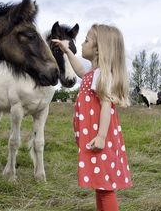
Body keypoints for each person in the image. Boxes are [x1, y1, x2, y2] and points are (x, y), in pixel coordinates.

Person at [52, 24, 132, 211]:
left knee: (105, 187)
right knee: (100, 185)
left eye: (86, 40)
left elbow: (106, 105)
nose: (82, 43)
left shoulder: (101, 76)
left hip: (100, 139)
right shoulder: (93, 74)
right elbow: (80, 71)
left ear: (98, 49)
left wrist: (101, 136)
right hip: (96, 138)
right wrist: (67, 52)